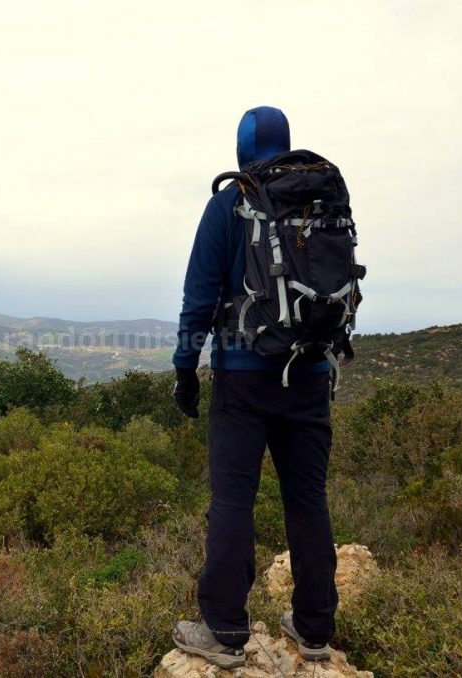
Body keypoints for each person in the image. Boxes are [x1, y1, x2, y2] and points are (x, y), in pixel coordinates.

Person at [170, 106, 340, 668]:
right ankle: (314, 630)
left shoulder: (229, 202)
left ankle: (223, 632)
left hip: (244, 378)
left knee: (234, 500)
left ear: (243, 147)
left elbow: (199, 298)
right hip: (311, 372)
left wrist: (184, 370)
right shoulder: (323, 200)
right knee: (308, 503)